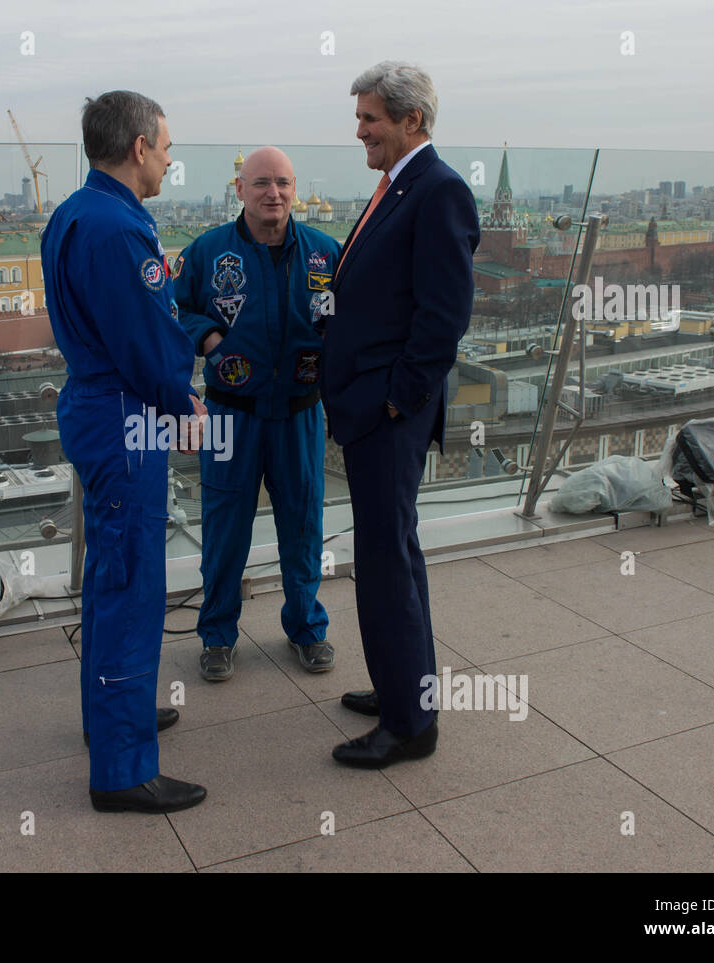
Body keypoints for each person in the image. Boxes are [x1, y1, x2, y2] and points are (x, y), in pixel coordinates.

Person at [41, 90, 208, 814]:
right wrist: (183, 400)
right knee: (132, 584)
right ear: (138, 146)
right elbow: (144, 341)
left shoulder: (76, 212)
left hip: (95, 406)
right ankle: (122, 767)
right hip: (124, 415)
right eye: (166, 145)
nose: (170, 157)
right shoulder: (118, 229)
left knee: (113, 575)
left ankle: (114, 715)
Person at [319, 62, 480, 768]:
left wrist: (395, 398)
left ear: (412, 120)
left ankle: (411, 726)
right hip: (374, 407)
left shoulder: (438, 190)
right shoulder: (399, 187)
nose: (360, 132)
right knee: (391, 555)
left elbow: (444, 318)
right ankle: (399, 688)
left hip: (389, 412)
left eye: (370, 119)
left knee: (386, 561)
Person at [172, 146, 337, 682]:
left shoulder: (324, 252)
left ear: (295, 188)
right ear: (239, 189)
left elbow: (349, 318)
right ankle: (217, 636)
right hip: (230, 414)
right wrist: (210, 336)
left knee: (304, 525)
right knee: (224, 532)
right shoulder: (206, 251)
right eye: (262, 183)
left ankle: (308, 629)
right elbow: (176, 309)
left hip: (300, 414)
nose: (275, 193)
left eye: (284, 183)